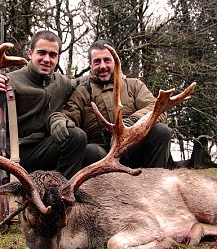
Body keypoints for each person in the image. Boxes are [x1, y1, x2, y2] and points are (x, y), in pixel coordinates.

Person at [0, 30, 87, 226]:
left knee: (76, 136)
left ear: (58, 57)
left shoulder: (63, 83)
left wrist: (115, 74)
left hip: (43, 150)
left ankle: (61, 201)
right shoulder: (10, 80)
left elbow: (86, 81)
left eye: (52, 55)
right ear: (30, 53)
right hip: (10, 154)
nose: (46, 59)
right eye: (41, 53)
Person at [48, 39, 173, 169]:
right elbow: (69, 115)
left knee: (162, 131)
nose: (102, 66)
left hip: (134, 148)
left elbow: (157, 109)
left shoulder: (134, 85)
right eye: (97, 61)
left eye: (107, 60)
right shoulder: (82, 92)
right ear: (90, 63)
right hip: (102, 154)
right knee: (90, 151)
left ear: (115, 60)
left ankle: (154, 185)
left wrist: (133, 122)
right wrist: (58, 119)